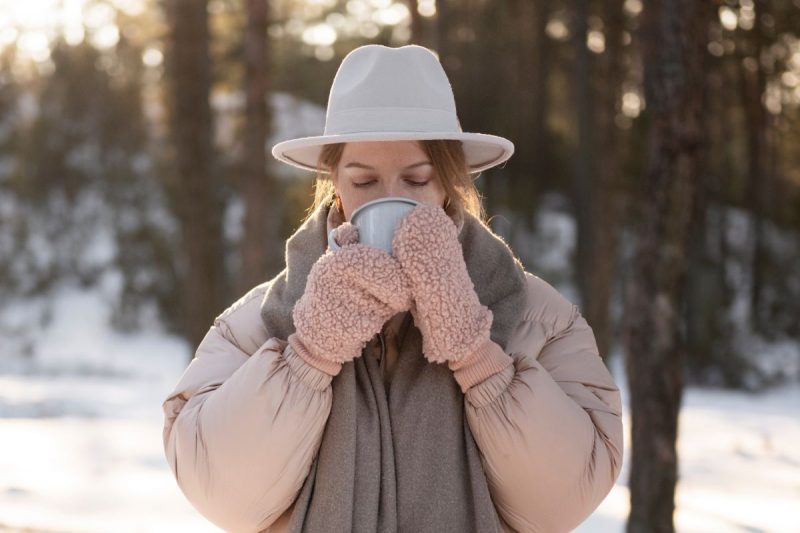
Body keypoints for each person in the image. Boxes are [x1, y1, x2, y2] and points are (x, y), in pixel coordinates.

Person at [161, 44, 624, 533]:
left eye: (416, 179)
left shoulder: (539, 318)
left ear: (449, 182)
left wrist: (477, 356)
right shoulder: (260, 320)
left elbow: (565, 499)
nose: (391, 200)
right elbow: (221, 493)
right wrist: (308, 357)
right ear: (335, 183)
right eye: (364, 181)